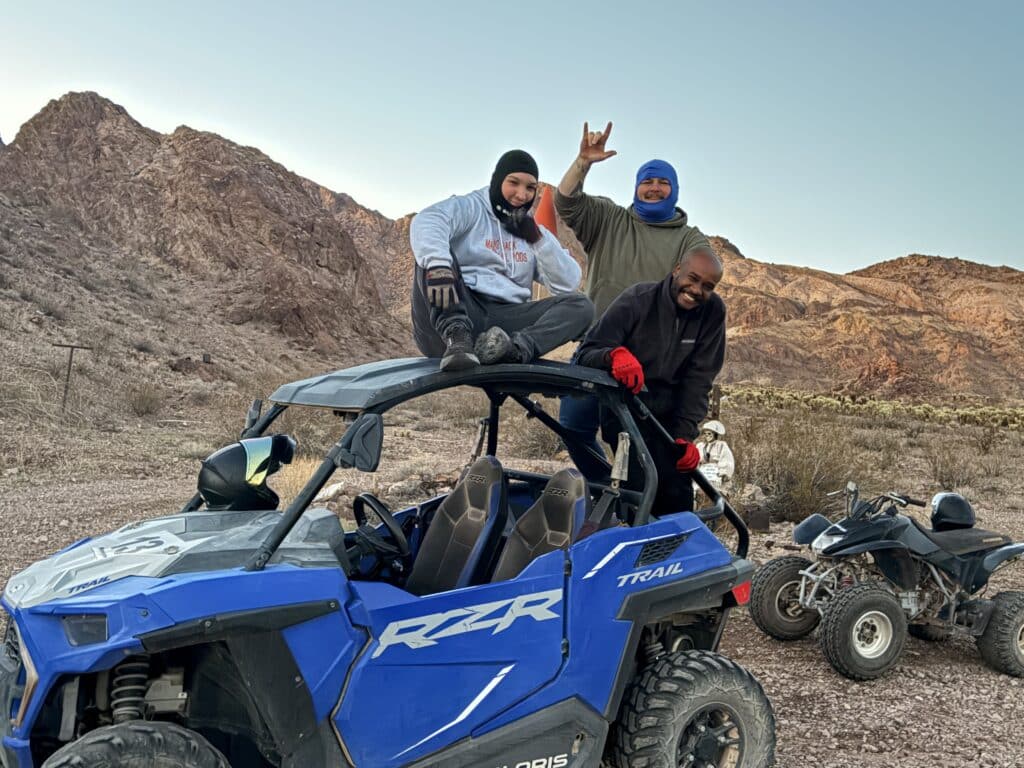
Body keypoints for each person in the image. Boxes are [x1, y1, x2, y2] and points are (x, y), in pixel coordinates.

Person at [554, 122, 713, 464]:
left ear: (675, 190)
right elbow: (565, 201)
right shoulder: (609, 219)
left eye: (662, 182)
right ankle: (602, 492)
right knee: (573, 426)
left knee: (641, 447)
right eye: (647, 181)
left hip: (650, 363)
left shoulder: (690, 239)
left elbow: (703, 279)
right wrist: (582, 163)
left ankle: (635, 506)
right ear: (637, 187)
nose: (654, 188)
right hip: (598, 348)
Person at [572, 247, 726, 514]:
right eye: (693, 278)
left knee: (677, 492)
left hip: (670, 418)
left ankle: (671, 551)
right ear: (677, 269)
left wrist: (685, 435)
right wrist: (614, 356)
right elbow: (586, 354)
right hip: (625, 411)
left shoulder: (713, 313)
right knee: (640, 490)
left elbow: (699, 381)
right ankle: (631, 545)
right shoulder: (637, 300)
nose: (697, 289)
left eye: (708, 286)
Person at [410, 149, 594, 371]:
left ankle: (513, 352)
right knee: (433, 256)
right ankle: (457, 338)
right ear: (498, 181)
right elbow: (428, 220)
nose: (521, 194)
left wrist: (537, 240)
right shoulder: (472, 207)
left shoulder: (530, 229)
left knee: (581, 306)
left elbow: (567, 283)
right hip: (457, 313)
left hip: (504, 326)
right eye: (513, 183)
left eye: (530, 188)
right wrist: (438, 264)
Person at [696, 420, 735, 494]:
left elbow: (726, 459)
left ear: (715, 434)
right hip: (703, 473)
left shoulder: (721, 445)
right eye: (705, 434)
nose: (707, 436)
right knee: (700, 491)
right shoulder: (700, 446)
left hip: (716, 473)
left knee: (716, 492)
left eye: (709, 433)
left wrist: (724, 472)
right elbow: (696, 460)